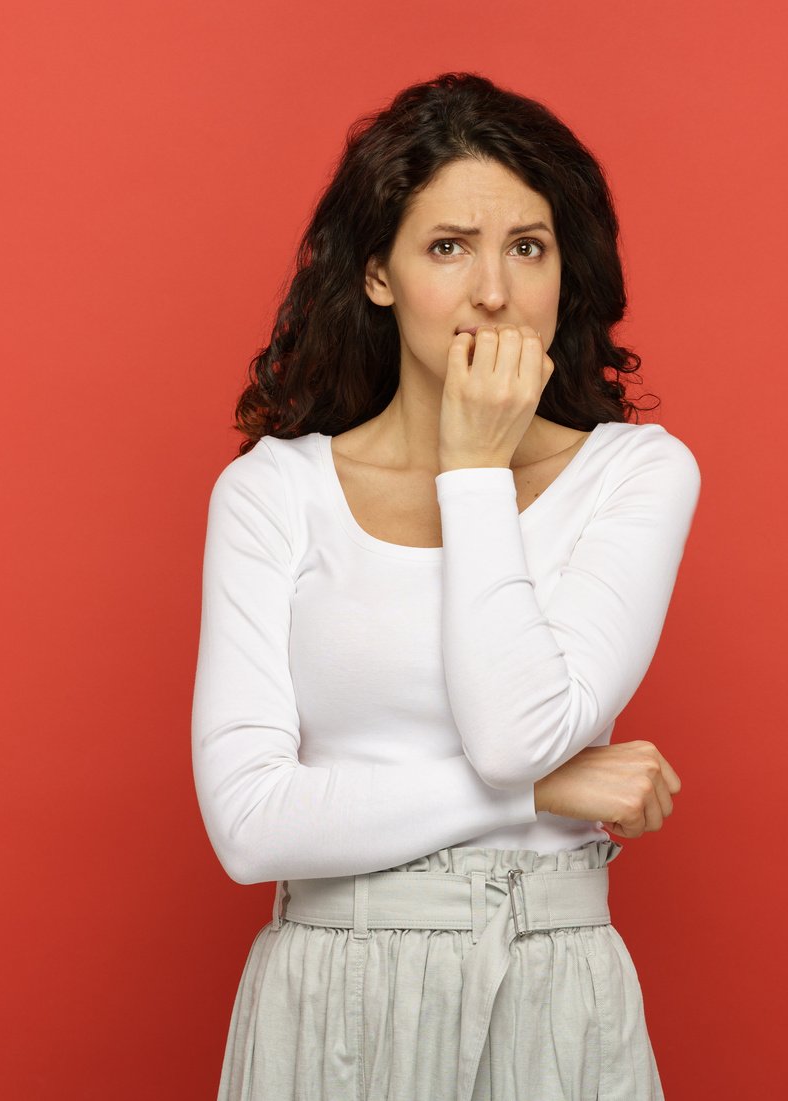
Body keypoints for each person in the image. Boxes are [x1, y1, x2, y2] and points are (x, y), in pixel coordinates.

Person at [191, 71, 700, 1101]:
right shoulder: (273, 494)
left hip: (548, 985)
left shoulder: (634, 475)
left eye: (528, 247)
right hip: (331, 994)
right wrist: (537, 795)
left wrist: (472, 470)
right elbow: (250, 826)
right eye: (446, 247)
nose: (494, 293)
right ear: (377, 275)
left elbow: (517, 729)